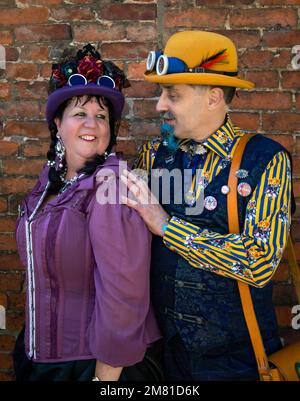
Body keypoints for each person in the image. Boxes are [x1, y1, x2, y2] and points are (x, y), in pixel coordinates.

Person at [121, 31, 294, 380]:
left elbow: (259, 260)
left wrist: (167, 226)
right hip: (163, 356)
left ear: (214, 97)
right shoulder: (154, 155)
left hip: (235, 363)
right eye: (161, 93)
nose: (159, 106)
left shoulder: (266, 159)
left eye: (173, 95)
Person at [13, 43, 162, 381]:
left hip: (97, 366)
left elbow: (125, 294)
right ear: (58, 122)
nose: (91, 124)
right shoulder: (48, 185)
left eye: (101, 116)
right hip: (39, 362)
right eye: (80, 113)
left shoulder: (111, 186)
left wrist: (103, 379)